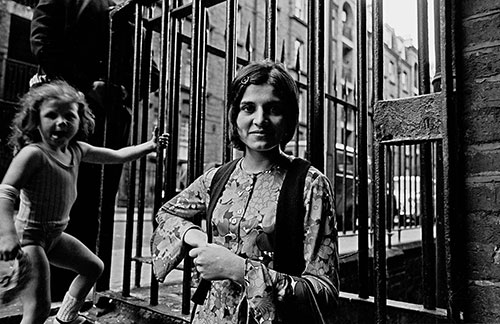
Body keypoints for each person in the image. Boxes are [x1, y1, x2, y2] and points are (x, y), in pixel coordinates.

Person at [151, 61, 339, 324]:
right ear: (234, 116)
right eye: (248, 108)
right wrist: (193, 235)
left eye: (273, 108)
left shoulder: (310, 184)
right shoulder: (216, 178)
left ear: (289, 117)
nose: (260, 120)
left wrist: (239, 270)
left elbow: (324, 290)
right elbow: (166, 214)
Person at [0, 81, 168, 324]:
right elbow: (6, 192)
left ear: (81, 120)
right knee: (37, 309)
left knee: (93, 268)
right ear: (37, 120)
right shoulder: (33, 154)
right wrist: (6, 235)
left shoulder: (77, 150)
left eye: (69, 115)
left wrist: (150, 146)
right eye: (51, 115)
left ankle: (66, 318)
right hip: (30, 238)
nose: (61, 122)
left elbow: (118, 155)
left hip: (55, 236)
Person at [30, 0, 157, 297]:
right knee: (58, 203)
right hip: (67, 116)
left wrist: (121, 91)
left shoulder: (129, 14)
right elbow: (43, 45)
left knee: (99, 206)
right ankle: (53, 296)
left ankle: (88, 295)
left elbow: (150, 73)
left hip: (109, 123)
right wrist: (87, 89)